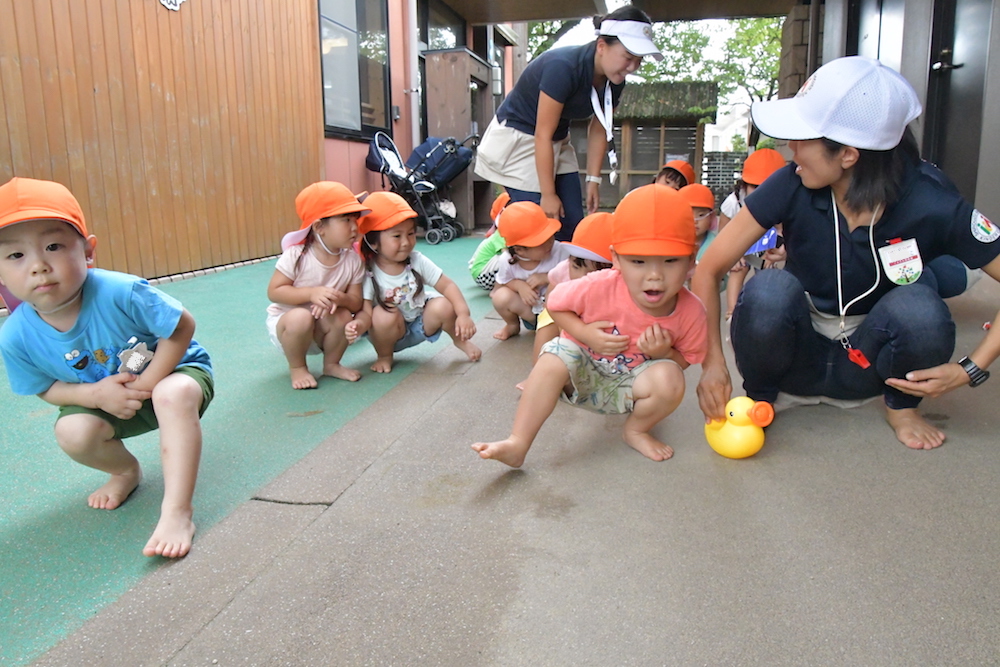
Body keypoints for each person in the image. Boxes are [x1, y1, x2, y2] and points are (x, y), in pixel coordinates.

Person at [691, 56, 1000, 451]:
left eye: (802, 139)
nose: (792, 150)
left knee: (921, 308)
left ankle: (901, 407)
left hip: (873, 360)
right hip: (797, 350)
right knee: (767, 291)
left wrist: (968, 370)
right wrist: (713, 363)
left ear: (848, 155)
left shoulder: (932, 199)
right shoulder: (792, 182)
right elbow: (710, 267)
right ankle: (763, 395)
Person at [0, 177, 214, 558]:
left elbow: (181, 326)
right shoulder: (15, 335)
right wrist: (94, 394)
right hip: (105, 396)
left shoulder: (121, 291)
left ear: (88, 251)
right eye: (15, 255)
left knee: (173, 393)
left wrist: (147, 382)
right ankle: (125, 472)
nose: (38, 266)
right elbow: (45, 386)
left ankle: (177, 511)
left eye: (53, 246)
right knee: (73, 430)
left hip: (167, 372)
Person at [472, 184, 708, 467]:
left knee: (671, 379)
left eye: (670, 261)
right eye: (638, 261)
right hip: (580, 375)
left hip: (631, 385)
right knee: (553, 354)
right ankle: (518, 443)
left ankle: (636, 430)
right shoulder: (599, 285)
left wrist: (665, 355)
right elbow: (556, 302)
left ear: (691, 261)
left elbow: (689, 358)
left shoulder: (692, 311)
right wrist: (585, 334)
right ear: (616, 259)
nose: (654, 276)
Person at [473, 5, 662, 240]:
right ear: (602, 46)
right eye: (628, 57)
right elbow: (542, 132)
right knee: (539, 228)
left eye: (639, 60)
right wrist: (548, 193)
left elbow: (600, 127)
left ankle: (568, 276)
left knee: (573, 224)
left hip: (557, 141)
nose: (632, 67)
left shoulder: (615, 80)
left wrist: (593, 179)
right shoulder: (563, 67)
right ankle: (506, 266)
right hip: (520, 140)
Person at [345, 191, 481, 372]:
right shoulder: (369, 272)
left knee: (443, 304)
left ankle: (460, 341)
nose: (406, 242)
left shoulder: (417, 260)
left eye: (410, 233)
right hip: (388, 333)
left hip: (420, 325)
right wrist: (358, 326)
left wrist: (463, 314)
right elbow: (367, 312)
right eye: (396, 236)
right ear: (373, 241)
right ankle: (385, 356)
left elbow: (447, 285)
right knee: (381, 314)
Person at [266, 181, 367, 388]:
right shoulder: (297, 256)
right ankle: (298, 368)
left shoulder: (353, 259)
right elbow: (274, 291)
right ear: (320, 227)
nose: (354, 227)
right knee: (300, 317)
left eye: (355, 219)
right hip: (290, 329)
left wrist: (339, 298)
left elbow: (356, 303)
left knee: (344, 315)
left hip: (324, 329)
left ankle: (332, 364)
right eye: (346, 220)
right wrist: (311, 293)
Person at [519, 211, 614, 387]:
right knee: (546, 325)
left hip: (602, 319)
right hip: (565, 313)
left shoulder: (622, 283)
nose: (584, 277)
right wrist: (565, 322)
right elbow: (551, 298)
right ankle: (537, 374)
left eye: (596, 272)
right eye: (577, 267)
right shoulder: (563, 269)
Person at [717, 148, 788, 319]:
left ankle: (766, 310)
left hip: (768, 245)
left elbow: (784, 230)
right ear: (744, 185)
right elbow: (723, 234)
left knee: (768, 272)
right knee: (738, 268)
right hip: (741, 243)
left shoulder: (784, 201)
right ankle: (732, 312)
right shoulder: (733, 203)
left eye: (768, 186)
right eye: (755, 186)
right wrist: (732, 256)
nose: (762, 192)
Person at [490, 201, 571, 340]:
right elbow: (500, 286)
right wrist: (519, 286)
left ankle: (561, 330)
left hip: (557, 314)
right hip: (530, 311)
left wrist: (547, 278)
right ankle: (512, 325)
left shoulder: (560, 251)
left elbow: (574, 279)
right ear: (519, 249)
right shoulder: (507, 260)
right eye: (541, 242)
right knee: (500, 297)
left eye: (549, 235)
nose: (550, 242)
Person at [468, 191, 510, 291]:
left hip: (480, 272)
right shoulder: (501, 234)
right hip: (483, 276)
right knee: (510, 258)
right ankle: (499, 287)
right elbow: (507, 256)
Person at [678, 183, 719, 264]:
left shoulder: (717, 245)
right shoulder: (672, 242)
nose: (695, 221)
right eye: (689, 215)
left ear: (711, 216)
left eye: (701, 215)